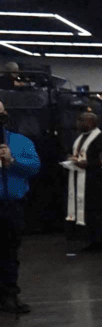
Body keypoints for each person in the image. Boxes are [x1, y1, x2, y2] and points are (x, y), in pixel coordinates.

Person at [0, 100, 40, 314]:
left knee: (9, 251)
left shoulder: (20, 141)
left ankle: (10, 295)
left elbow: (34, 167)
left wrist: (13, 161)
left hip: (12, 205)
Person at [65, 112, 102, 252]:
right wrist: (70, 157)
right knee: (88, 211)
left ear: (92, 122)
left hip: (96, 181)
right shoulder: (80, 137)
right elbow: (74, 152)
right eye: (79, 121)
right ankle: (91, 239)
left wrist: (87, 164)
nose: (79, 123)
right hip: (81, 178)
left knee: (97, 211)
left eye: (82, 121)